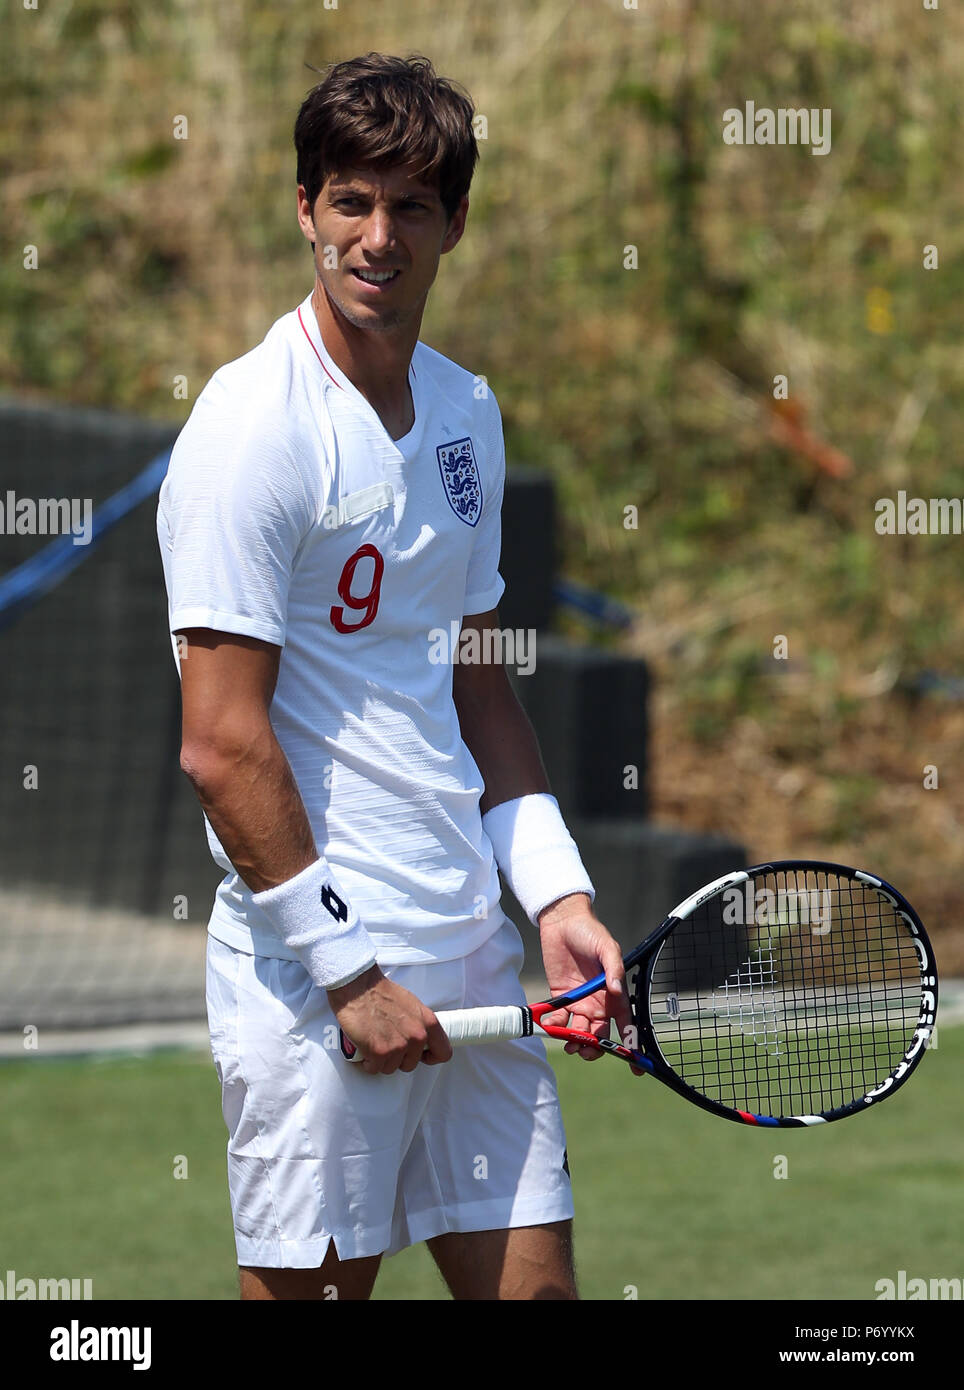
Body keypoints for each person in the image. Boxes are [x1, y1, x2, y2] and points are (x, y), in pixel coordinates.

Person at [157, 51, 630, 1301]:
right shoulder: (250, 425)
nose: (377, 237)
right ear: (305, 209)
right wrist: (351, 976)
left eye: (410, 206)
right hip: (321, 984)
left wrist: (557, 898)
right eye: (351, 202)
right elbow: (221, 745)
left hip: (475, 958)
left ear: (453, 225)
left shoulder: (467, 410)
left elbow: (478, 685)